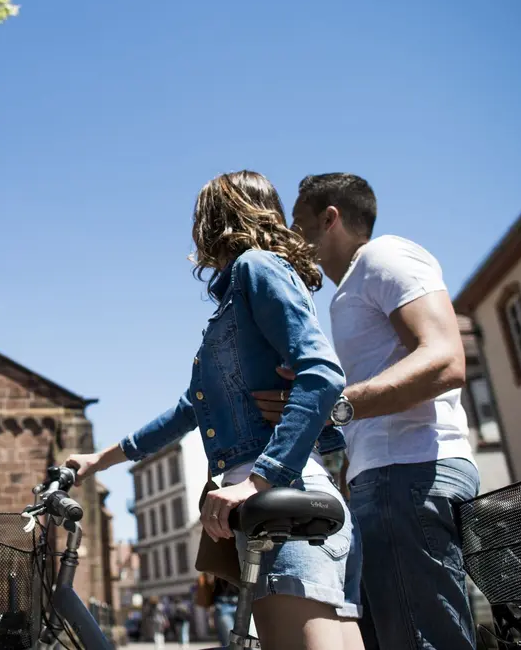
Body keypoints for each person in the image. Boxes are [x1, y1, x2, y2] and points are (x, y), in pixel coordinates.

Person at [67, 171, 364, 650]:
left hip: (282, 507)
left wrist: (258, 480)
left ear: (217, 218)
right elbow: (186, 411)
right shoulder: (238, 296)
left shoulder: (256, 267)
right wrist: (97, 462)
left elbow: (323, 374)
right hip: (281, 509)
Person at [255, 173, 479, 650]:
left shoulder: (384, 256)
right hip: (388, 479)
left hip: (410, 472)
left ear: (329, 218)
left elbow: (444, 359)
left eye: (299, 224)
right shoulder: (348, 290)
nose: (294, 239)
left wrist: (331, 407)